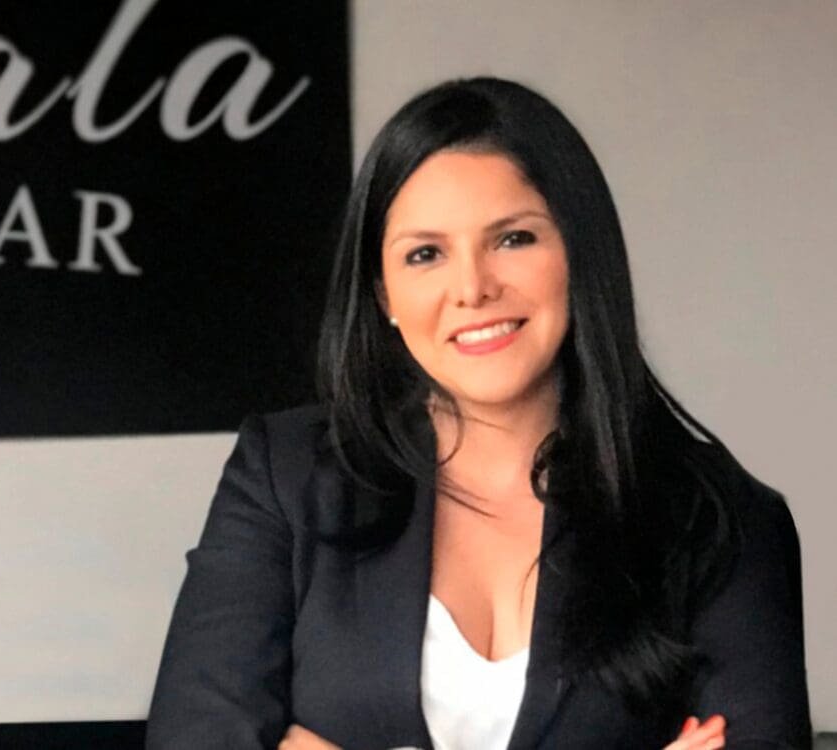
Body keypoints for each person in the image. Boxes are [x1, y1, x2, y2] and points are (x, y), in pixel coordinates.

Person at [146, 78, 811, 749]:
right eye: (425, 254)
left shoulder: (719, 518)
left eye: (513, 239)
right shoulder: (286, 476)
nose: (472, 288)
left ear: (580, 255)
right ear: (384, 295)